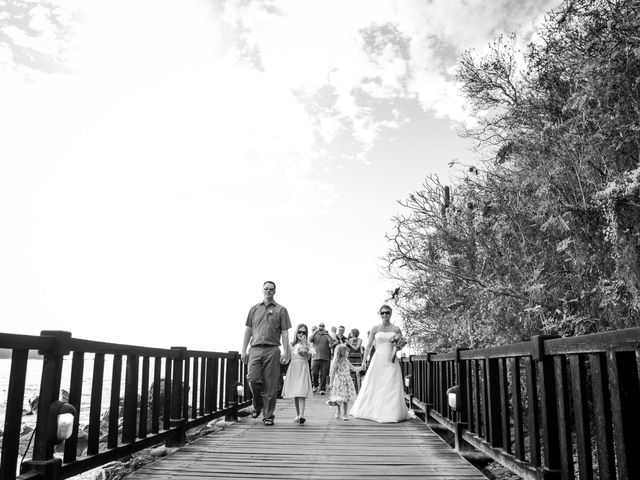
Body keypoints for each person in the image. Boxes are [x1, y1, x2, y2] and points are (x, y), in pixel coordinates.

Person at [241, 281, 291, 426]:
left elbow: (285, 333)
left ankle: (268, 415)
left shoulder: (281, 310)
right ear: (262, 290)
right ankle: (257, 404)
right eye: (266, 289)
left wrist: (286, 352)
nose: (268, 291)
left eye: (271, 289)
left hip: (272, 349)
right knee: (252, 379)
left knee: (270, 384)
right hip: (255, 349)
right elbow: (248, 330)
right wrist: (243, 350)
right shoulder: (254, 309)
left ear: (275, 291)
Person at [349, 305, 410, 423]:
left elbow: (401, 344)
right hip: (378, 359)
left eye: (387, 312)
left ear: (391, 313)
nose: (384, 315)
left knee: (391, 384)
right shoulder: (375, 328)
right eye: (382, 313)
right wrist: (364, 362)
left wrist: (397, 347)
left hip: (391, 359)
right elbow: (368, 346)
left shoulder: (396, 329)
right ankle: (373, 410)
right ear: (379, 314)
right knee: (375, 383)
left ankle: (392, 412)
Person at [282, 323, 313, 424]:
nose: (301, 334)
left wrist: (304, 346)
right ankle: (298, 414)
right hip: (294, 368)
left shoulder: (308, 344)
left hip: (303, 367)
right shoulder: (291, 345)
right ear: (296, 333)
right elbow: (286, 358)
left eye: (304, 332)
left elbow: (308, 357)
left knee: (301, 392)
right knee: (296, 392)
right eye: (299, 332)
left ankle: (302, 415)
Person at [326, 344, 358, 420]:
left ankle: (345, 413)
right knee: (339, 399)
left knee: (346, 399)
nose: (348, 353)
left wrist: (360, 368)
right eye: (347, 351)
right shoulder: (337, 362)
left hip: (347, 382)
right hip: (339, 382)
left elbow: (353, 368)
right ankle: (338, 411)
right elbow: (332, 373)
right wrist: (331, 383)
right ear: (343, 352)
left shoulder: (347, 361)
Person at [309, 322, 332, 394]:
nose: (321, 327)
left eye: (323, 326)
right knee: (314, 373)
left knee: (324, 374)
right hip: (315, 358)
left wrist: (328, 334)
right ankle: (315, 385)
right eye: (320, 326)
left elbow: (331, 342)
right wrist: (315, 331)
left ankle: (322, 389)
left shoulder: (326, 335)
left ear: (324, 327)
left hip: (325, 358)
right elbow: (309, 339)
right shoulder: (315, 334)